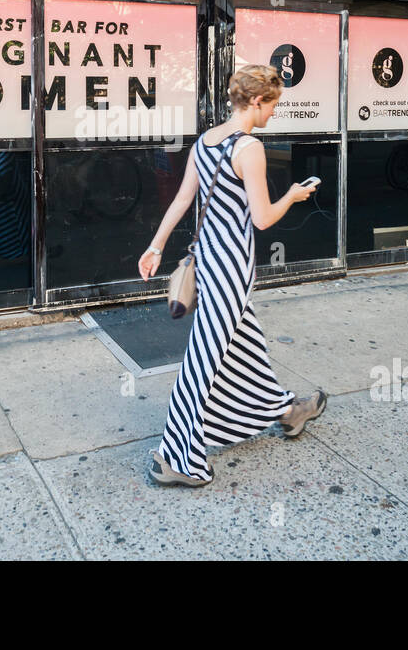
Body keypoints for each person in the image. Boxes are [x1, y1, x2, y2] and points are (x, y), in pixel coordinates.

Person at [138, 64, 329, 487]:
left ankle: (288, 411)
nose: (273, 114)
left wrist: (155, 246)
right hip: (231, 268)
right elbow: (262, 219)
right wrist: (294, 196)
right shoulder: (249, 149)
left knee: (243, 346)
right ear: (257, 101)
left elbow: (182, 200)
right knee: (203, 362)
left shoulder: (206, 141)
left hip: (208, 262)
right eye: (273, 104)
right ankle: (179, 458)